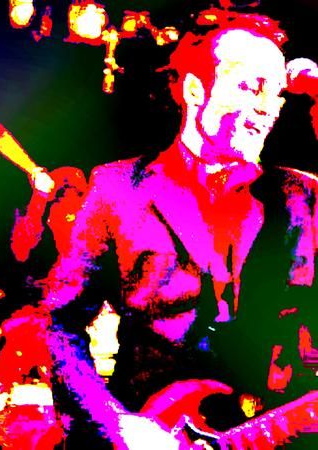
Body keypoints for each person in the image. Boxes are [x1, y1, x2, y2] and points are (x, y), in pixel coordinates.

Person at [17, 8, 318, 449]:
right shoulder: (118, 188)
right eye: (249, 87)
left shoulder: (302, 199)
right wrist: (115, 425)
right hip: (148, 426)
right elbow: (61, 324)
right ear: (195, 90)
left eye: (276, 95)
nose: (265, 109)